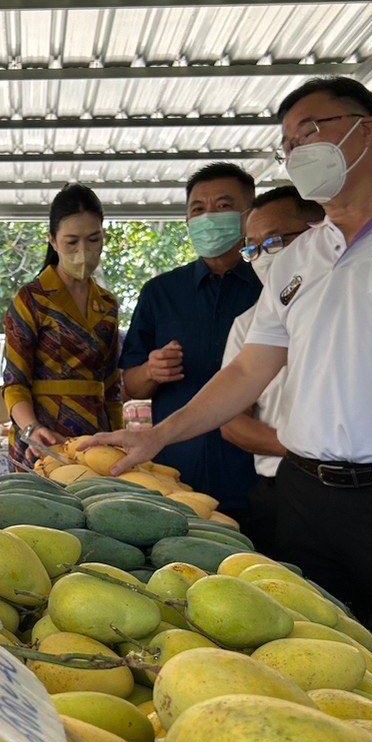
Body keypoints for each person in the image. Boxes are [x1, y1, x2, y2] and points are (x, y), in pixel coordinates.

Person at [84, 77, 372, 742]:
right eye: (288, 141)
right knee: (309, 663)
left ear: (365, 129)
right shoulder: (299, 256)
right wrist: (159, 436)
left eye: (311, 131)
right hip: (303, 495)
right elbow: (247, 370)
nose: (297, 150)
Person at [120, 163, 261, 522]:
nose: (208, 217)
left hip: (259, 476)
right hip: (175, 478)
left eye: (223, 206)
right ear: (186, 220)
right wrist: (150, 371)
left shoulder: (272, 288)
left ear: (249, 215)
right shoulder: (160, 293)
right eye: (198, 209)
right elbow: (131, 385)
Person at [218, 187, 325, 549]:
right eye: (253, 248)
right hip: (282, 486)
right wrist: (305, 452)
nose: (263, 257)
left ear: (321, 233)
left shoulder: (358, 308)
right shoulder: (248, 325)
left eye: (275, 241)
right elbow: (232, 420)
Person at [3, 184, 124, 464]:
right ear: (53, 241)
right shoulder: (31, 299)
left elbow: (112, 385)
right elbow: (14, 382)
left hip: (95, 438)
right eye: (72, 242)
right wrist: (31, 428)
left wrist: (118, 437)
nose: (84, 250)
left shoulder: (107, 304)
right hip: (41, 439)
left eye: (93, 239)